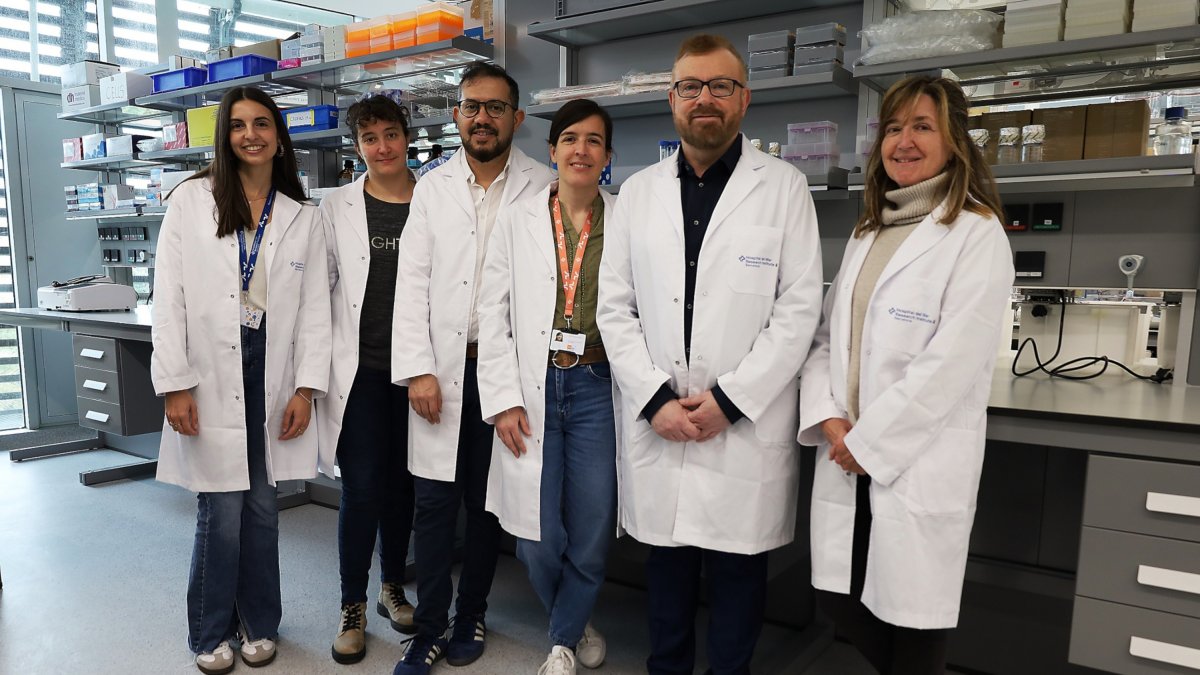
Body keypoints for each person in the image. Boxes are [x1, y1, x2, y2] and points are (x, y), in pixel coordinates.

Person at [596, 35, 823, 675]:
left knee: (737, 574)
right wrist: (652, 399)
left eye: (719, 87)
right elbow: (615, 308)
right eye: (691, 87)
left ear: (743, 99)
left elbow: (799, 310)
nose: (704, 100)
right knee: (665, 570)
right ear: (673, 99)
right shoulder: (638, 194)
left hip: (741, 424)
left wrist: (730, 401)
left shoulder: (784, 188)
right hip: (660, 419)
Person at [798, 75, 1014, 674]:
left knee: (911, 631)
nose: (904, 140)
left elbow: (951, 363)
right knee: (842, 601)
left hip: (910, 460)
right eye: (893, 128)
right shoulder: (871, 231)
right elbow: (825, 339)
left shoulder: (977, 233)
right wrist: (830, 418)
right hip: (848, 455)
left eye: (922, 126)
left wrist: (870, 442)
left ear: (955, 142)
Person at [150, 85, 331, 675]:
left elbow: (314, 312)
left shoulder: (302, 216)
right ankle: (210, 630)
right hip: (208, 368)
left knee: (261, 504)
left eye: (261, 123)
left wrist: (305, 388)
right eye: (237, 125)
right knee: (221, 506)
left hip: (271, 365)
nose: (250, 134)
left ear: (280, 137)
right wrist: (175, 383)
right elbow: (168, 298)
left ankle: (261, 621)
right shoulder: (191, 201)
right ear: (224, 137)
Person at [390, 62, 555, 675]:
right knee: (433, 505)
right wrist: (418, 370)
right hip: (441, 371)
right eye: (470, 106)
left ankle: (472, 614)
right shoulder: (432, 187)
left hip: (506, 373)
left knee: (491, 506)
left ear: (516, 117)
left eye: (493, 106)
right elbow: (412, 283)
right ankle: (429, 628)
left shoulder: (541, 185)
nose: (481, 117)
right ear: (457, 115)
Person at [477, 99, 617, 675]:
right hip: (534, 384)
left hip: (597, 385)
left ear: (607, 156)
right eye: (571, 139)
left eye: (594, 141)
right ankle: (574, 619)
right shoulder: (519, 219)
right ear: (554, 149)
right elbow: (494, 313)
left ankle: (559, 642)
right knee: (535, 534)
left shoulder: (627, 218)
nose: (581, 150)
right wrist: (504, 398)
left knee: (590, 525)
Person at [317, 94, 419, 664]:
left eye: (390, 134)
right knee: (361, 490)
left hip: (415, 372)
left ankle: (391, 588)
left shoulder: (434, 201)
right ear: (357, 147)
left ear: (407, 137)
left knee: (405, 485)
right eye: (369, 138)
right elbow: (320, 291)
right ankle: (351, 605)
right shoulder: (336, 207)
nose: (382, 147)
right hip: (358, 373)